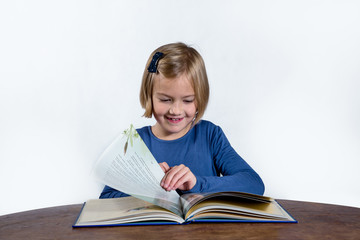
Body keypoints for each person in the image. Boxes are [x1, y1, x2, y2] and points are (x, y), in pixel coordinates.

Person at [100, 42, 264, 198]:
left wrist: (196, 183)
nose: (176, 110)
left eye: (187, 101)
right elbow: (106, 199)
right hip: (151, 228)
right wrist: (146, 183)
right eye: (165, 100)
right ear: (149, 96)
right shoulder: (135, 142)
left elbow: (254, 184)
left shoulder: (210, 135)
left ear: (200, 98)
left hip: (206, 227)